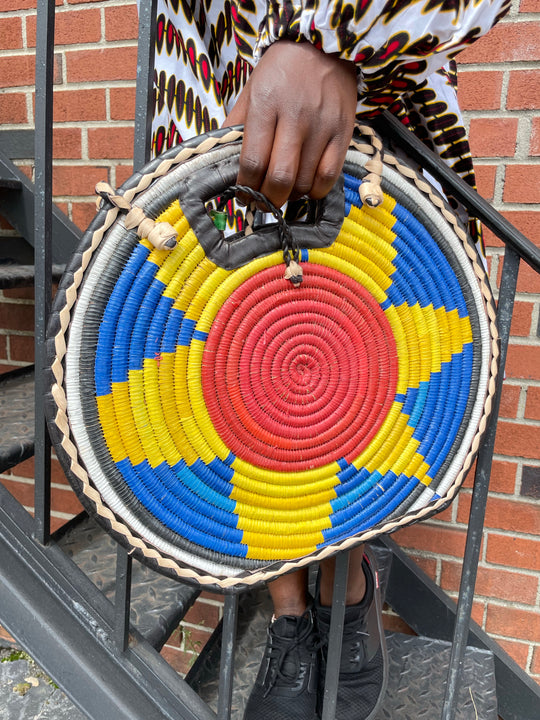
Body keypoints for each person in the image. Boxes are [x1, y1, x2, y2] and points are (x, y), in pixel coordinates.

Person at [149, 1, 511, 718]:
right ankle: (290, 619)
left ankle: (345, 591)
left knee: (351, 390)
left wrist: (331, 40)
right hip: (218, 133)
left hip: (367, 125)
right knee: (251, 402)